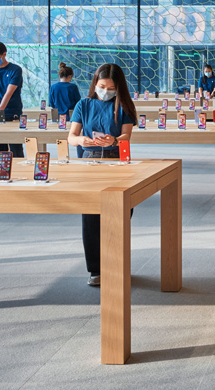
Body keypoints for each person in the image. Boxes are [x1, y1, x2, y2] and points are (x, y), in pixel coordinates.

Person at [67, 63, 137, 286]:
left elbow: (127, 135)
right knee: (90, 215)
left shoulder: (124, 105)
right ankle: (95, 269)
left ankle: (116, 263)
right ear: (95, 84)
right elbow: (71, 136)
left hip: (117, 160)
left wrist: (115, 140)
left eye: (110, 87)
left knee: (120, 213)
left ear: (118, 87)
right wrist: (81, 140)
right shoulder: (83, 104)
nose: (105, 90)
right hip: (90, 161)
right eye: (101, 86)